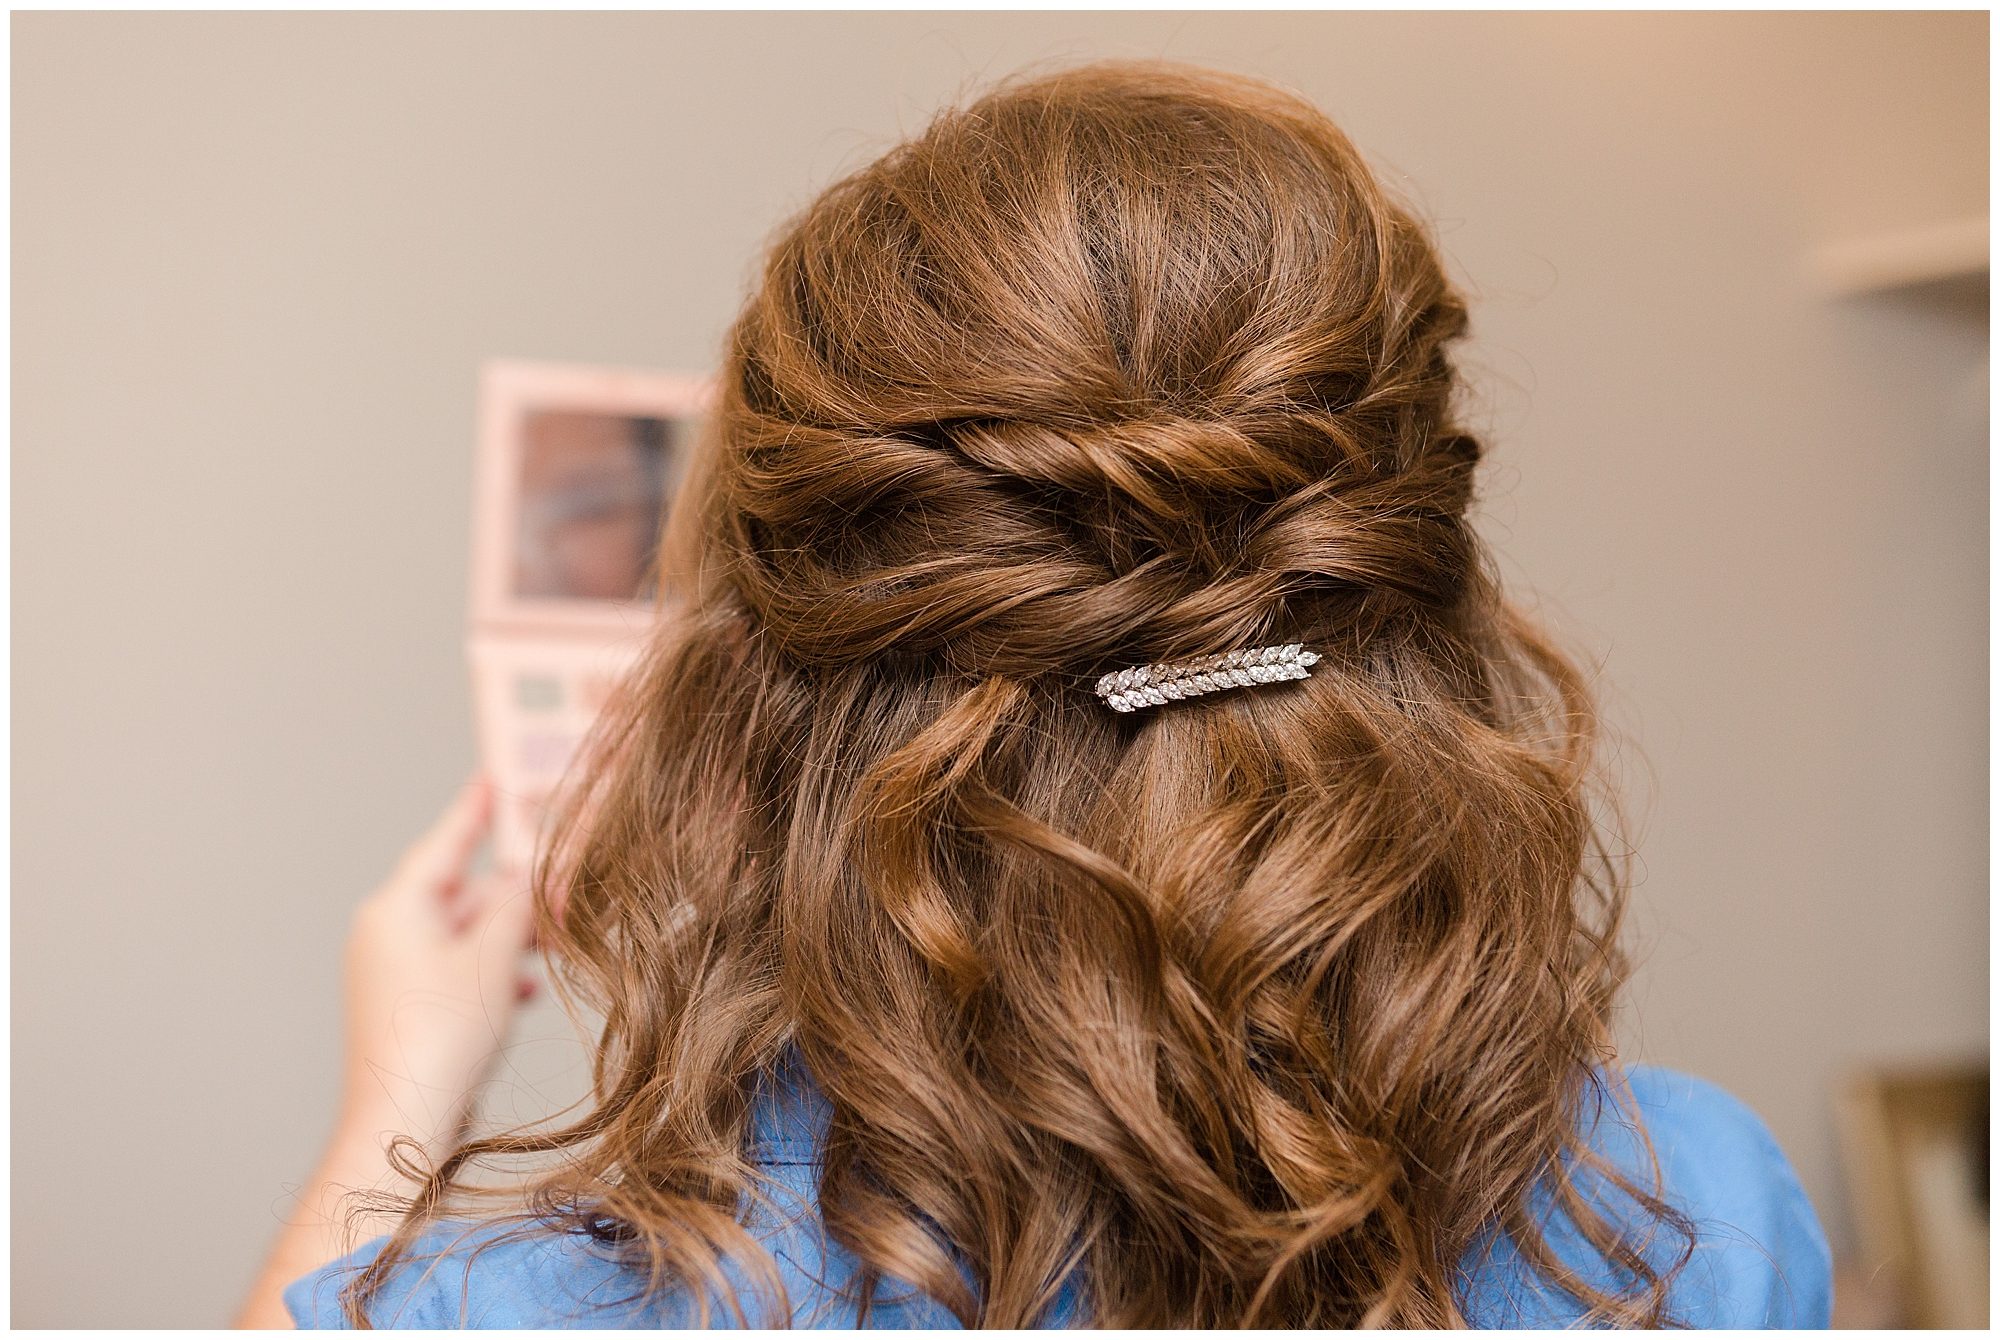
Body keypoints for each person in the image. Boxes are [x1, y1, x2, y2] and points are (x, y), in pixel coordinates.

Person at [239, 62, 1831, 1329]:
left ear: (744, 704)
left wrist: (399, 1090)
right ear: (1433, 610)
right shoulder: (1687, 1218)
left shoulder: (547, 1315)